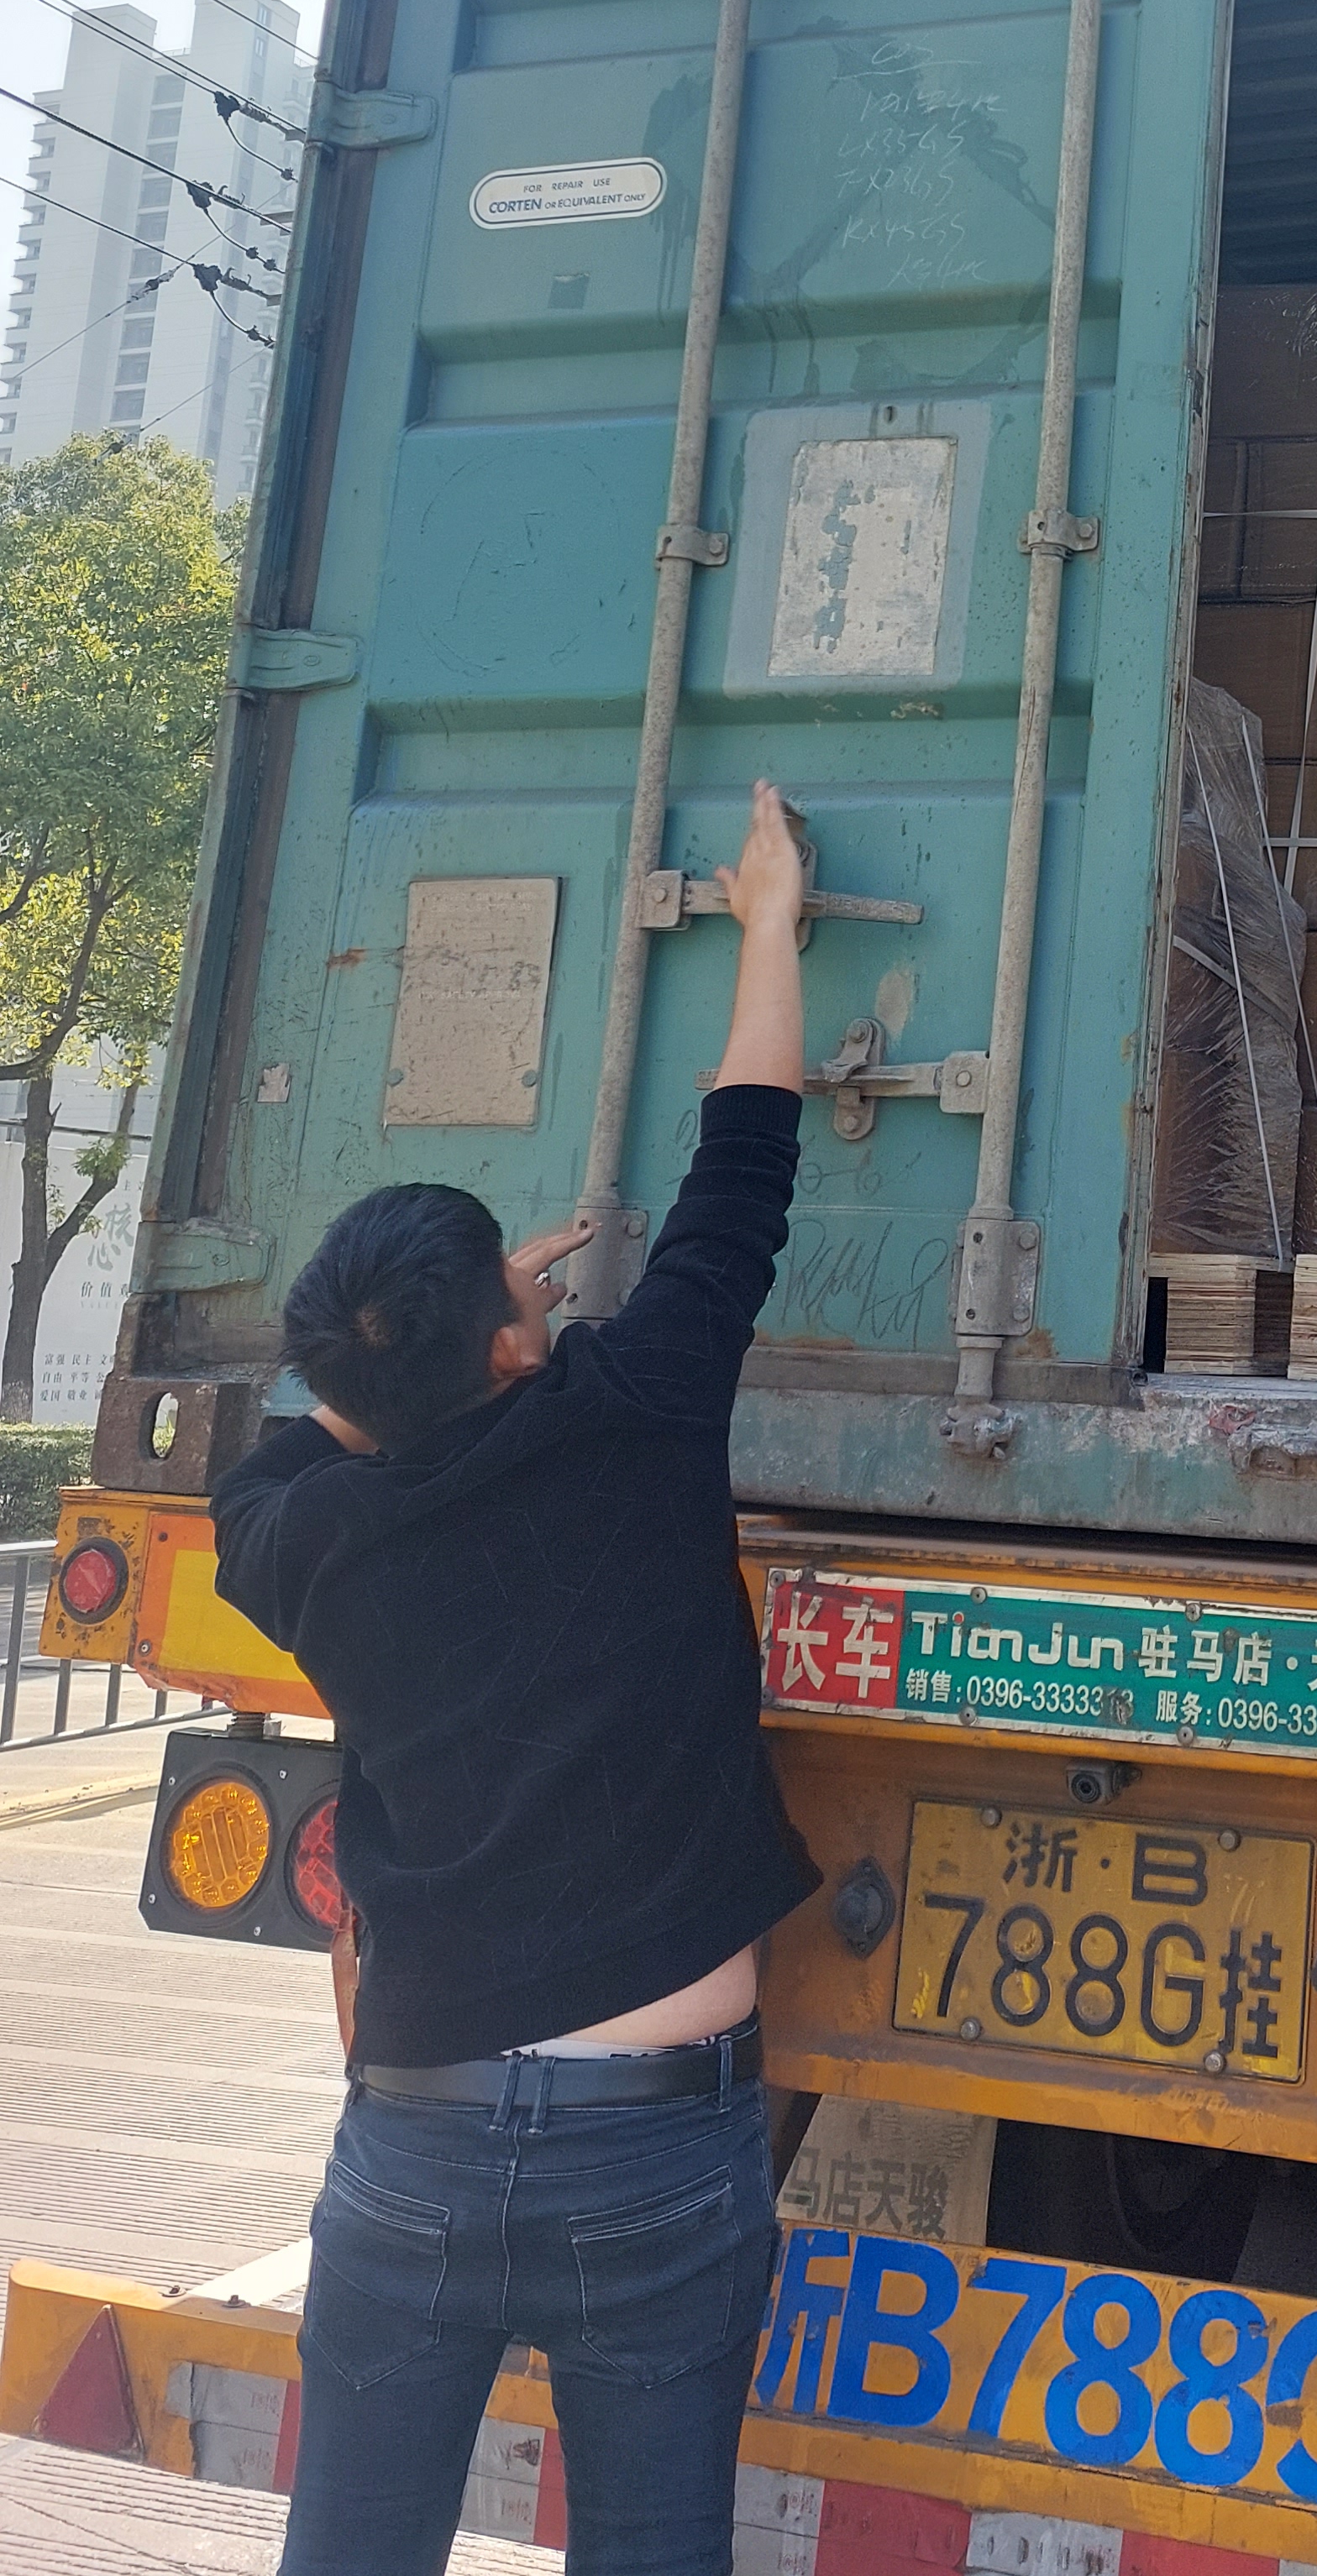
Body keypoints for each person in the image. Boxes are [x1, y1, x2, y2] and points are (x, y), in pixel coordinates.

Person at [214, 778, 822, 2574]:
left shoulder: (310, 1543)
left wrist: (444, 1353)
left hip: (411, 2144)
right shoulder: (636, 1414)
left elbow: (285, 1451)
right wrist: (769, 917)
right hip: (655, 2157)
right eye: (523, 1293)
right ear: (507, 1333)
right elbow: (745, 1168)